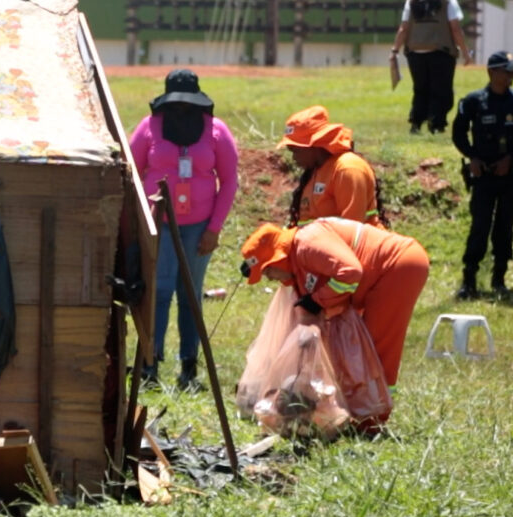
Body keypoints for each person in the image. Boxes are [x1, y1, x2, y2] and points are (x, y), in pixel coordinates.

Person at [129, 69, 239, 390]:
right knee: (159, 292)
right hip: (159, 223)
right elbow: (132, 172)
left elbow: (229, 180)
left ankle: (188, 368)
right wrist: (141, 220)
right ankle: (150, 364)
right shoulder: (149, 127)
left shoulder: (216, 131)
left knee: (190, 294)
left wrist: (214, 229)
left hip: (199, 227)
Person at [239, 219, 429, 392]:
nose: (270, 279)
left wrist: (317, 301)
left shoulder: (306, 244)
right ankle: (365, 407)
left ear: (277, 259)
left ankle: (372, 417)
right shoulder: (298, 261)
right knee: (359, 348)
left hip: (398, 266)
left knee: (375, 349)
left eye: (267, 272)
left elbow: (351, 273)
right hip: (384, 272)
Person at [451, 50, 513, 299]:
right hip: (484, 175)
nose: (511, 75)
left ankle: (499, 279)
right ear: (491, 72)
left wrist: (511, 158)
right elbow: (458, 133)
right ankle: (469, 280)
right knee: (480, 225)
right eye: (506, 70)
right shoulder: (473, 102)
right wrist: (472, 158)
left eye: (512, 71)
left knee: (505, 225)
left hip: (509, 176)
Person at [389, 0, 472, 135]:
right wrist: (464, 52)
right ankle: (436, 124)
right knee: (441, 89)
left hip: (415, 52)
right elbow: (455, 28)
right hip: (441, 52)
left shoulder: (412, 0)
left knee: (420, 88)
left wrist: (395, 50)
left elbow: (404, 28)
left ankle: (416, 123)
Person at [277, 105, 388, 229]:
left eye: (295, 150)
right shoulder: (316, 171)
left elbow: (352, 233)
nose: (293, 158)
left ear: (314, 145)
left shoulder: (347, 169)